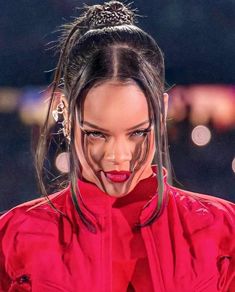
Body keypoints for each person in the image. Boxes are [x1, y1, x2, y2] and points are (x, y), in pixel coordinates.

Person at [0, 1, 234, 291]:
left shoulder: (224, 234)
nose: (118, 157)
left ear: (161, 112)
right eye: (97, 134)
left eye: (137, 132)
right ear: (66, 114)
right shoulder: (13, 240)